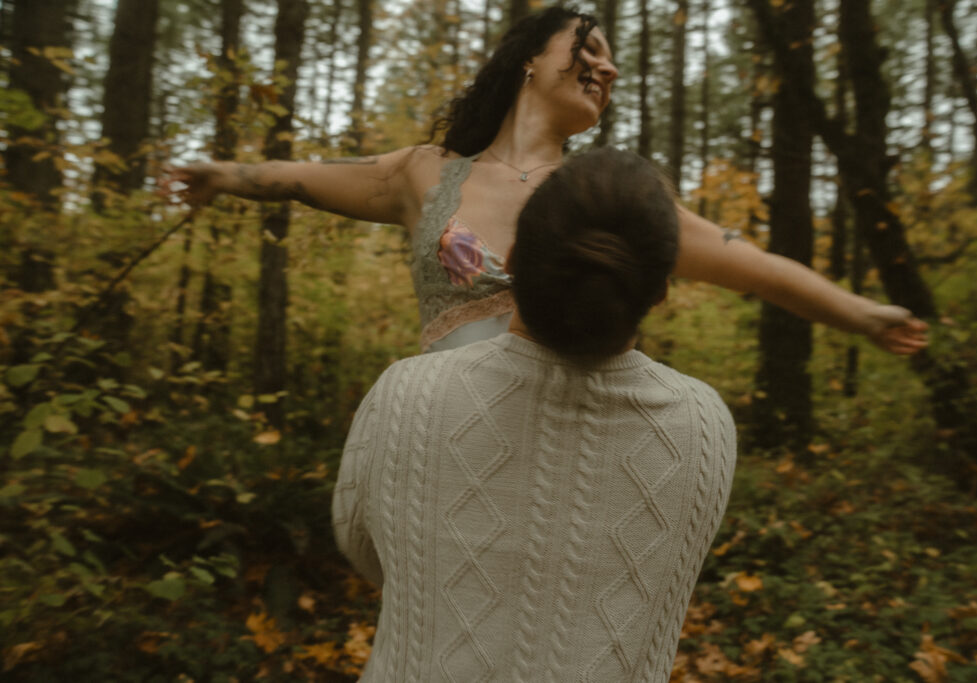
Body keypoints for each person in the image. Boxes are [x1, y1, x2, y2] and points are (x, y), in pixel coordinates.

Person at [166, 6, 928, 354]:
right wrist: (220, 173)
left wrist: (861, 312)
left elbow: (752, 264)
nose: (608, 66)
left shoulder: (612, 203)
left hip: (581, 445)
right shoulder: (423, 173)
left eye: (613, 60)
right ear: (531, 55)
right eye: (588, 45)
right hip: (449, 434)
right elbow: (299, 179)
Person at [332, 147, 736, 682]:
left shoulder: (407, 394)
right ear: (659, 290)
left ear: (515, 258)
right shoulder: (704, 424)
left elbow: (362, 546)